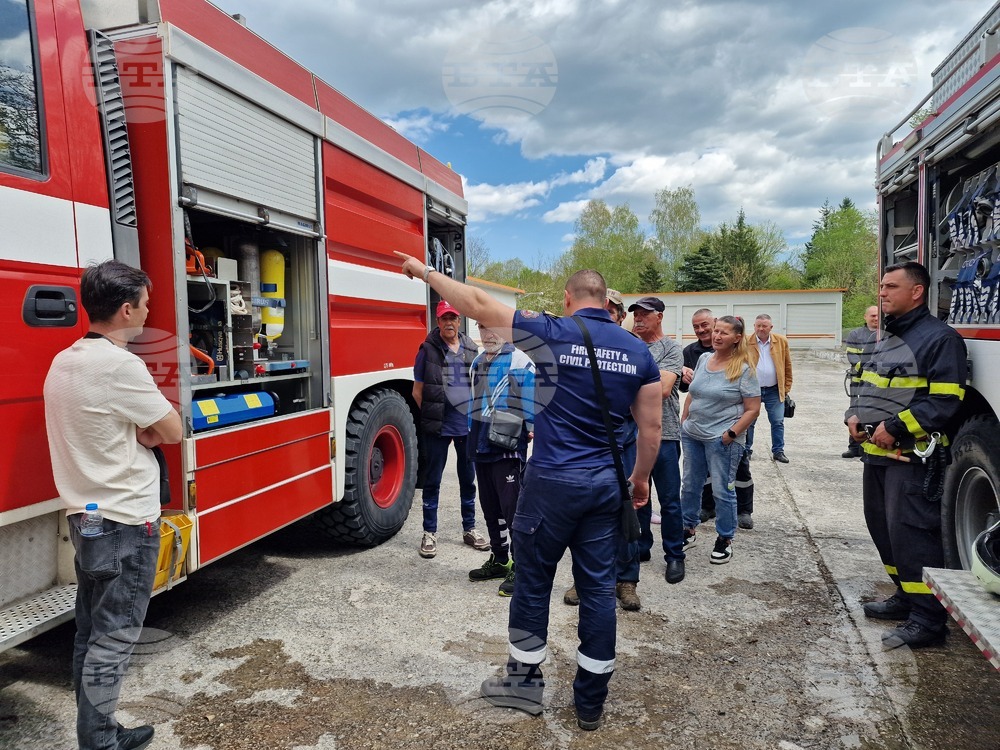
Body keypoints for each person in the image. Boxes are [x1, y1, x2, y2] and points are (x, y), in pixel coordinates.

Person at [395, 252, 661, 731]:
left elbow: (476, 303)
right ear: (607, 301)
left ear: (568, 298)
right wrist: (639, 481)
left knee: (535, 583)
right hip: (605, 484)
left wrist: (426, 272)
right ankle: (590, 702)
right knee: (599, 590)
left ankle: (523, 687)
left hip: (551, 484)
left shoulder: (552, 332)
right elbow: (652, 428)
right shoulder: (637, 351)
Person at [43, 260, 182, 750]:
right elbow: (173, 431)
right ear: (127, 309)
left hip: (89, 517)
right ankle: (100, 742)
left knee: (91, 632)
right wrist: (143, 432)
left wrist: (134, 431)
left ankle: (98, 731)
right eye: (146, 304)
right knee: (115, 639)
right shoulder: (121, 366)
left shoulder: (65, 360)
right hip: (125, 521)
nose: (149, 312)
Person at [846, 262, 967, 650]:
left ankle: (929, 621)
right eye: (881, 286)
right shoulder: (887, 338)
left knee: (913, 536)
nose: (882, 293)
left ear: (916, 292)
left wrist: (896, 427)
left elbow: (947, 400)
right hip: (877, 456)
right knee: (883, 530)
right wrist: (853, 414)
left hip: (911, 458)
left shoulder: (940, 339)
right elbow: (864, 384)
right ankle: (905, 595)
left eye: (890, 287)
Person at [563, 287, 643, 610]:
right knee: (583, 515)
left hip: (622, 446)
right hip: (584, 450)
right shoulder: (574, 346)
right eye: (602, 308)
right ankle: (584, 579)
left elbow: (645, 409)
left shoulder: (634, 349)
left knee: (626, 512)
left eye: (613, 310)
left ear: (622, 316)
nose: (606, 314)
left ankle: (626, 580)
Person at [680, 315, 760, 564]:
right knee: (690, 486)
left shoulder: (744, 368)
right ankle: (688, 529)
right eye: (716, 331)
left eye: (723, 333)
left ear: (737, 338)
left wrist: (732, 434)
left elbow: (753, 409)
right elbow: (693, 394)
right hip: (693, 434)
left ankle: (725, 538)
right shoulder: (704, 359)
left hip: (722, 440)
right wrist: (685, 420)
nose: (716, 336)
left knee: (722, 491)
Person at [412, 300, 489, 558]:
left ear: (459, 320)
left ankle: (470, 528)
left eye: (453, 318)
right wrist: (434, 416)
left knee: (469, 480)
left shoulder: (470, 347)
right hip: (439, 426)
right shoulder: (427, 349)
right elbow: (418, 391)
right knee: (433, 480)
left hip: (466, 427)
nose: (449, 323)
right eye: (444, 318)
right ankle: (429, 533)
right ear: (438, 321)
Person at [467, 322, 535, 597]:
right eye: (482, 328)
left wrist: (531, 426)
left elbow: (532, 399)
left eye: (493, 328)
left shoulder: (520, 360)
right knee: (490, 506)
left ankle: (521, 566)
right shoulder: (476, 362)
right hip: (480, 446)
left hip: (507, 446)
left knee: (513, 509)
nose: (488, 334)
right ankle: (499, 558)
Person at [626, 296, 685, 585]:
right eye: (635, 314)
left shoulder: (671, 348)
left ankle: (675, 555)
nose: (638, 318)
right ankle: (642, 546)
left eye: (644, 314)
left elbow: (662, 389)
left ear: (659, 316)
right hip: (632, 436)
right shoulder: (629, 345)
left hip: (666, 434)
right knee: (638, 498)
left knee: (671, 500)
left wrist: (624, 384)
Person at [746, 313, 793, 463]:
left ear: (770, 327)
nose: (761, 328)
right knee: (748, 422)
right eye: (758, 325)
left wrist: (786, 388)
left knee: (777, 421)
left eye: (764, 326)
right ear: (754, 326)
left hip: (774, 389)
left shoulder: (781, 341)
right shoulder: (746, 341)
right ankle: (746, 450)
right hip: (752, 390)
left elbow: (787, 365)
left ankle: (778, 451)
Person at [842, 305, 880, 458]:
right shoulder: (855, 335)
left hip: (878, 383)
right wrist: (867, 371)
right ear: (865, 317)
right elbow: (852, 357)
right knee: (855, 411)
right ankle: (854, 447)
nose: (876, 318)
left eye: (878, 316)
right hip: (858, 382)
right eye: (872, 316)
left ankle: (868, 446)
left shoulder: (884, 334)